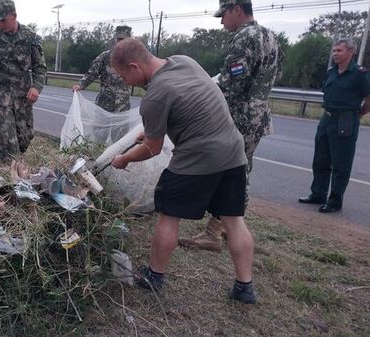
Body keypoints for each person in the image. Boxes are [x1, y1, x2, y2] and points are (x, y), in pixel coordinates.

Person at [109, 38, 257, 304]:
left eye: (124, 76)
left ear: (134, 66)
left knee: (169, 215)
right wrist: (154, 129)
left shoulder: (154, 96)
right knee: (233, 219)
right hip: (234, 151)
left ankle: (154, 276)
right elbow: (189, 104)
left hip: (198, 156)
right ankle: (244, 287)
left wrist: (125, 159)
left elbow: (153, 148)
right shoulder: (184, 61)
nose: (125, 82)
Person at [179, 0, 282, 252]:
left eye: (223, 15)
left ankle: (216, 232)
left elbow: (230, 85)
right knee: (242, 171)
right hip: (258, 117)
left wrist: (198, 98)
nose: (222, 21)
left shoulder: (244, 38)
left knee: (230, 175)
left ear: (237, 9)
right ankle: (221, 228)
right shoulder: (270, 35)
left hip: (239, 118)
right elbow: (273, 76)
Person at [299, 38, 370, 213]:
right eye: (334, 51)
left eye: (339, 51)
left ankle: (335, 200)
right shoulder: (331, 72)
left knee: (341, 163)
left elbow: (369, 98)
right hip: (327, 119)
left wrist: (358, 114)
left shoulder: (359, 74)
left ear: (351, 52)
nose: (335, 54)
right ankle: (318, 194)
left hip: (345, 120)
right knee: (320, 160)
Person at [0, 0, 47, 164]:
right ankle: (10, 176)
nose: (0, 24)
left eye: (3, 20)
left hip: (23, 96)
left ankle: (9, 164)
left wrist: (36, 87)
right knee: (9, 141)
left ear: (14, 16)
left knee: (25, 136)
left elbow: (40, 67)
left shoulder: (30, 37)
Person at [72, 25, 133, 113]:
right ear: (115, 39)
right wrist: (81, 85)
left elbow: (143, 76)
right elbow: (92, 73)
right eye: (119, 39)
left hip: (123, 105)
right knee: (101, 126)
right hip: (105, 102)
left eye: (124, 40)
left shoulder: (133, 58)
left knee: (121, 127)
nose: (121, 42)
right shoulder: (105, 56)